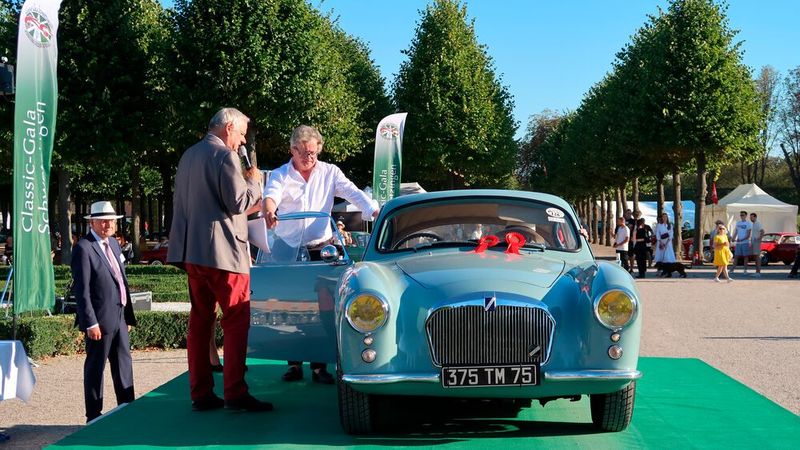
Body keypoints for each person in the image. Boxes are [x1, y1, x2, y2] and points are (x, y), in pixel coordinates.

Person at [167, 107, 271, 413]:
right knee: (237, 320)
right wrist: (255, 181)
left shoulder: (188, 155)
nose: (241, 142)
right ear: (228, 128)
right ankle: (235, 393)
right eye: (240, 134)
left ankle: (200, 392)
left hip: (192, 253)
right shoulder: (226, 156)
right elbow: (238, 201)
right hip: (224, 253)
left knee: (200, 321)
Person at [263, 125, 378, 385]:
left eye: (313, 153)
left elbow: (353, 193)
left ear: (319, 150)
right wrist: (270, 211)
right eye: (303, 153)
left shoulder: (330, 172)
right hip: (286, 244)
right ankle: (293, 363)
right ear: (292, 150)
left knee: (324, 306)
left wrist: (373, 211)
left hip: (321, 245)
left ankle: (319, 365)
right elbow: (271, 196)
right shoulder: (281, 174)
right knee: (287, 305)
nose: (308, 158)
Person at [71, 201, 137, 422]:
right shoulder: (84, 247)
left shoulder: (115, 245)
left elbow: (121, 280)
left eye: (111, 220)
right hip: (99, 320)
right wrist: (90, 323)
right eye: (103, 220)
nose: (108, 224)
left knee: (123, 364)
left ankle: (127, 407)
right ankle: (93, 415)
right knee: (95, 368)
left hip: (119, 316)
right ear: (93, 222)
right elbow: (82, 290)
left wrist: (126, 314)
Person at [749, 213, 764, 277]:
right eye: (750, 217)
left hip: (756, 242)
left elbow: (762, 231)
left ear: (755, 217)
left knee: (757, 257)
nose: (750, 218)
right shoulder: (754, 224)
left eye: (752, 217)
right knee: (755, 257)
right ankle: (757, 272)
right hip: (753, 242)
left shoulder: (758, 223)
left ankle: (758, 272)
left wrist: (759, 239)